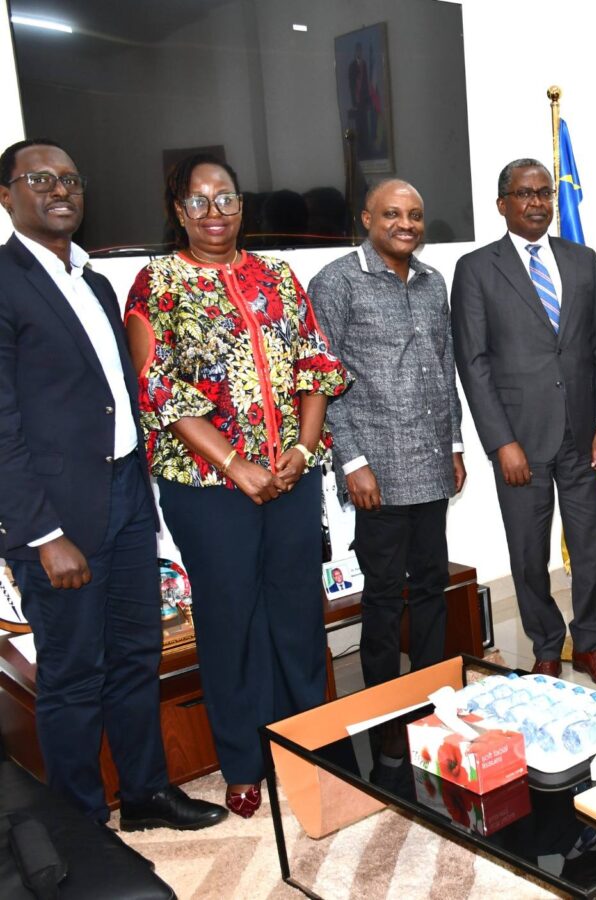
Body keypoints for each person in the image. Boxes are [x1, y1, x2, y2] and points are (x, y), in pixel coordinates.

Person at [0, 138, 225, 829]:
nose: (60, 190)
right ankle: (81, 827)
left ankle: (146, 795)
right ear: (6, 196)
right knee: (73, 676)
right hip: (58, 520)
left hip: (126, 499)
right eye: (41, 179)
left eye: (71, 179)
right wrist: (42, 534)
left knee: (136, 657)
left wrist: (141, 500)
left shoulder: (95, 283)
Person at [125, 154, 350, 816]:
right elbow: (159, 388)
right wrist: (234, 464)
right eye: (198, 201)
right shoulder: (157, 284)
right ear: (179, 211)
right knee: (232, 624)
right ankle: (244, 762)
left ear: (242, 205)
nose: (214, 212)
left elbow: (315, 364)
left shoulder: (276, 275)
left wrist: (302, 450)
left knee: (298, 615)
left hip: (292, 478)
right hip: (208, 488)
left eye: (225, 198)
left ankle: (311, 746)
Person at [451, 159, 596, 688]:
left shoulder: (582, 259)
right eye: (524, 194)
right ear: (502, 203)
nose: (537, 202)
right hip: (520, 440)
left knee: (591, 545)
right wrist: (501, 442)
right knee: (528, 552)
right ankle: (546, 648)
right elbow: (473, 362)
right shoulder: (477, 268)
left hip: (583, 433)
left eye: (544, 193)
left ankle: (591, 644)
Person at [308, 179, 465, 689]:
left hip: (431, 460)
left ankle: (432, 686)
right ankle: (383, 699)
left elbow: (444, 365)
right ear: (367, 219)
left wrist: (454, 444)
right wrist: (352, 462)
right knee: (382, 593)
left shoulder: (432, 281)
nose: (406, 224)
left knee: (432, 583)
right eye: (392, 214)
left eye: (415, 215)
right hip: (376, 469)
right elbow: (322, 380)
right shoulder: (337, 282)